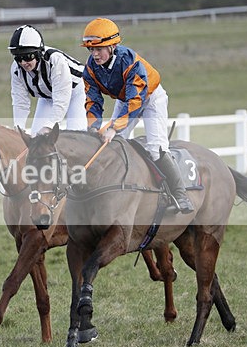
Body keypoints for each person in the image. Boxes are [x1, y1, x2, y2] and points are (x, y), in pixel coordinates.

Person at [80, 17, 194, 214]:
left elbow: (136, 102)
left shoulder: (130, 62)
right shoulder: (90, 69)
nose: (94, 54)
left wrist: (113, 127)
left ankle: (180, 194)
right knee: (111, 144)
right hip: (125, 99)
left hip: (150, 98)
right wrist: (93, 126)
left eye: (99, 49)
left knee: (156, 148)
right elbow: (93, 100)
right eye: (91, 49)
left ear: (113, 46)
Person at [9, 25, 88, 135]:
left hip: (77, 91)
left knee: (76, 135)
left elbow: (61, 98)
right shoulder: (16, 69)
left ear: (38, 53)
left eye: (28, 56)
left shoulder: (55, 61)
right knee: (36, 136)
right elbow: (20, 101)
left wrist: (50, 125)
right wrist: (19, 127)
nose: (23, 63)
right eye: (18, 57)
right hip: (48, 95)